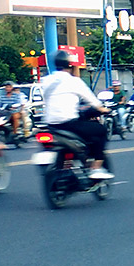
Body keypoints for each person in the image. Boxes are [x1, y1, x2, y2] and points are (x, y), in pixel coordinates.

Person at [41, 49, 113, 180]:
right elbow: (93, 101)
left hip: (51, 125)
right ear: (69, 65)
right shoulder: (74, 82)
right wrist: (103, 109)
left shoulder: (46, 81)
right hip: (69, 124)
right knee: (101, 130)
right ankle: (96, 167)